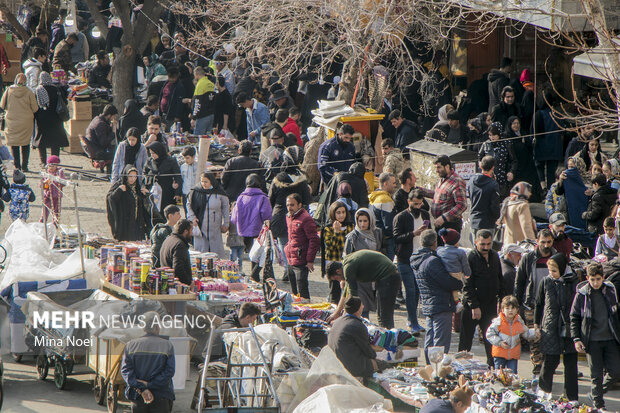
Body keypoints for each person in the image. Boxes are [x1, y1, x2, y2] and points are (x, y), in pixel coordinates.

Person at [570, 262, 620, 410]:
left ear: (603, 277)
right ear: (587, 278)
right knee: (596, 375)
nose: (596, 283)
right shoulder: (582, 294)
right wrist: (577, 339)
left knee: (616, 371)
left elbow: (616, 313)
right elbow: (574, 317)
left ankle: (596, 393)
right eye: (592, 279)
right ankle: (599, 405)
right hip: (592, 341)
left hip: (610, 338)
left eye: (598, 279)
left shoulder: (610, 290)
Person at [411, 229, 463, 363]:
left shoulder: (417, 258)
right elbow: (448, 282)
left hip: (429, 304)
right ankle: (437, 370)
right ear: (435, 243)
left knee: (431, 338)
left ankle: (429, 368)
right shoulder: (432, 261)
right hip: (441, 304)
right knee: (440, 342)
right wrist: (459, 283)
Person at [534, 253, 578, 402]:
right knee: (550, 362)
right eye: (549, 270)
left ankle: (571, 397)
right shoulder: (546, 282)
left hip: (569, 327)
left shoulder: (573, 281)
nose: (551, 274)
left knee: (571, 363)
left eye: (554, 270)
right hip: (551, 327)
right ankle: (544, 392)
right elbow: (539, 304)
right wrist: (536, 324)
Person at [459, 229, 504, 367]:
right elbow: (467, 284)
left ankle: (492, 368)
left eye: (488, 244)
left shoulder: (494, 256)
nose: (485, 247)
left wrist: (502, 300)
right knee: (466, 341)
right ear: (476, 242)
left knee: (490, 338)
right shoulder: (470, 257)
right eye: (482, 244)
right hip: (472, 306)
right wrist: (474, 306)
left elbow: (499, 278)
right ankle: (461, 367)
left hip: (490, 304)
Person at [514, 229, 555, 375]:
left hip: (551, 305)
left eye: (548, 242)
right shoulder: (528, 258)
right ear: (537, 242)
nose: (545, 245)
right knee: (535, 336)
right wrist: (516, 303)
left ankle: (547, 365)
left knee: (549, 336)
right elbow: (519, 282)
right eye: (542, 242)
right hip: (531, 304)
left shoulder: (557, 257)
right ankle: (537, 364)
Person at [326, 250, 400, 329]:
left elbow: (353, 297)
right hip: (386, 278)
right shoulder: (346, 263)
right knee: (380, 314)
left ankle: (389, 337)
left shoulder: (348, 268)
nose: (339, 281)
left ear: (338, 271)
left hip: (389, 278)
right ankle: (386, 334)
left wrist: (343, 319)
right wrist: (336, 313)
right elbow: (345, 293)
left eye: (337, 278)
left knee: (384, 315)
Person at [121, 311, 175, 413]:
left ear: (143, 328)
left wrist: (143, 389)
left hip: (138, 395)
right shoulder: (167, 345)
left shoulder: (130, 345)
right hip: (161, 396)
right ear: (157, 326)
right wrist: (150, 385)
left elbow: (126, 372)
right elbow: (169, 371)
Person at [393, 190, 431, 332]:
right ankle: (412, 322)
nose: (418, 207)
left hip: (421, 259)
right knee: (410, 290)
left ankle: (413, 320)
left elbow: (431, 234)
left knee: (417, 291)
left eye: (420, 204)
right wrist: (413, 234)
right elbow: (396, 237)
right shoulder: (401, 217)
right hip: (405, 259)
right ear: (409, 202)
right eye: (415, 204)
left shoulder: (425, 215)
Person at [269, 171, 311, 279]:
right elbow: (307, 200)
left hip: (279, 217)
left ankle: (288, 269)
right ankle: (292, 268)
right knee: (296, 243)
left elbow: (270, 200)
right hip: (297, 217)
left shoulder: (277, 180)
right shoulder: (301, 181)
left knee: (284, 244)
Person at [344, 208, 383, 317]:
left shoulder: (377, 233)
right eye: (360, 221)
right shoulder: (352, 237)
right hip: (359, 276)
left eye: (365, 221)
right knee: (362, 306)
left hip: (375, 274)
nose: (362, 224)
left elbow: (383, 249)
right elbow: (347, 258)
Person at [232, 174, 272, 280]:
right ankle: (255, 276)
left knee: (251, 253)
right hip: (258, 231)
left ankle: (254, 276)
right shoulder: (263, 198)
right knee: (258, 254)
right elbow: (266, 215)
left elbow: (234, 217)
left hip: (243, 231)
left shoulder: (241, 197)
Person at [328, 297, 379, 378]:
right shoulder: (357, 325)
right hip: (349, 365)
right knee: (381, 364)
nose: (363, 306)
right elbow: (367, 350)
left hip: (335, 362)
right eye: (362, 305)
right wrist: (375, 356)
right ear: (358, 309)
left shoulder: (338, 321)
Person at [284, 193, 320, 301]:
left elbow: (314, 240)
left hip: (301, 260)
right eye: (288, 205)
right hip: (291, 259)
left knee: (302, 292)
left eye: (292, 205)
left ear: (299, 205)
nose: (289, 207)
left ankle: (306, 312)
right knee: (294, 292)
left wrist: (310, 260)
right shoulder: (289, 217)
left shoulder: (305, 219)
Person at [0, 73, 39, 171]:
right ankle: (25, 166)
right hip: (26, 122)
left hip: (12, 122)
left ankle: (17, 166)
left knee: (14, 144)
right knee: (25, 144)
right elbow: (35, 108)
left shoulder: (9, 90)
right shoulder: (29, 92)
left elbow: (2, 105)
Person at [420, 155, 467, 235]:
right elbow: (440, 196)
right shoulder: (441, 179)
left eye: (439, 167)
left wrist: (444, 217)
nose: (436, 171)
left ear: (447, 166)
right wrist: (422, 191)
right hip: (439, 223)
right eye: (436, 168)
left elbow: (462, 205)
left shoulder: (456, 181)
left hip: (450, 225)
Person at [186, 172, 230, 257]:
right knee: (201, 251)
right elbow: (189, 205)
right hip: (200, 225)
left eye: (206, 182)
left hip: (215, 226)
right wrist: (192, 218)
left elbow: (225, 208)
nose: (203, 184)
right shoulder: (195, 191)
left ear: (211, 181)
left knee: (216, 251)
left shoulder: (220, 193)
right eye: (202, 181)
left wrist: (226, 223)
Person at [486, 295, 533, 373]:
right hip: (499, 354)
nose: (510, 311)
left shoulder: (519, 321)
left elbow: (525, 332)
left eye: (513, 308)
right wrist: (500, 342)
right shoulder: (498, 322)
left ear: (517, 309)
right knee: (499, 375)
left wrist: (535, 333)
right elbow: (489, 334)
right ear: (503, 310)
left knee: (512, 374)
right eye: (507, 308)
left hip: (513, 354)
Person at [106, 166, 152, 241]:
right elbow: (111, 199)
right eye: (130, 176)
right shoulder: (120, 185)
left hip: (137, 223)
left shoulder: (137, 187)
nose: (133, 179)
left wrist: (145, 195)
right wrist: (119, 191)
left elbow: (142, 205)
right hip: (125, 224)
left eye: (135, 176)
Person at [33, 72, 69, 167]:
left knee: (42, 141)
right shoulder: (56, 89)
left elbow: (34, 105)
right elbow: (64, 101)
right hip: (56, 119)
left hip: (42, 119)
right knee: (55, 141)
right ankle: (54, 161)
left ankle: (43, 162)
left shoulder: (38, 90)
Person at [505, 116, 543, 202]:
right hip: (517, 166)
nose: (516, 125)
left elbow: (530, 147)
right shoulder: (508, 136)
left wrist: (526, 142)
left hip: (527, 164)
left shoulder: (523, 133)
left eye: (517, 123)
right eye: (514, 123)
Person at [323, 201, 354, 303]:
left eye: (343, 212)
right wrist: (336, 233)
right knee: (334, 290)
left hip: (346, 261)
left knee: (347, 290)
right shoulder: (328, 228)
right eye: (338, 213)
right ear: (333, 214)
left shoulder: (350, 226)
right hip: (333, 262)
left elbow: (348, 245)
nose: (341, 215)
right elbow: (331, 247)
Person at [532, 93, 563, 190]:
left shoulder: (538, 114)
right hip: (554, 147)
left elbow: (533, 131)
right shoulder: (556, 114)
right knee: (551, 172)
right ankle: (550, 190)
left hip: (541, 146)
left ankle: (542, 188)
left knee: (539, 167)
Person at [478, 122, 517, 197]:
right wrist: (482, 167)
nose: (492, 137)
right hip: (488, 177)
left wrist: (511, 172)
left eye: (494, 135)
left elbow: (514, 160)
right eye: (490, 135)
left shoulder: (506, 143)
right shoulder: (486, 144)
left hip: (503, 178)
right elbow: (480, 157)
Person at [467, 156, 500, 239]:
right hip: (487, 222)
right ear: (493, 168)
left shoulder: (471, 180)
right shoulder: (493, 184)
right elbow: (494, 206)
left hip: (474, 220)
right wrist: (497, 217)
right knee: (486, 249)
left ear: (480, 166)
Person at [437, 228, 471, 308]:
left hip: (444, 274)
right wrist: (467, 273)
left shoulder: (439, 250)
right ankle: (457, 303)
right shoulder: (460, 252)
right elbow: (465, 265)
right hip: (456, 273)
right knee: (455, 289)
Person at [143, 141, 182, 210]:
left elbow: (178, 176)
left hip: (167, 191)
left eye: (154, 153)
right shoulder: (149, 161)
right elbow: (144, 174)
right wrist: (144, 186)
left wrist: (177, 193)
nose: (152, 155)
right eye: (151, 153)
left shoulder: (171, 161)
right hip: (152, 190)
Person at [370, 173, 397, 259]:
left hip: (376, 238)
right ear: (385, 184)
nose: (395, 186)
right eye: (393, 183)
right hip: (386, 241)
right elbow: (389, 225)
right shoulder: (385, 200)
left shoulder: (373, 197)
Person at [84, 104, 119, 171]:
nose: (113, 118)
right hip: (97, 151)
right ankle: (110, 172)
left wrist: (111, 127)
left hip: (94, 146)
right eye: (113, 116)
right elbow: (104, 142)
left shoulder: (97, 118)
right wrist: (113, 132)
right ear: (109, 115)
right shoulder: (100, 124)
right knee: (117, 152)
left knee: (114, 148)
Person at [160, 219, 193, 285]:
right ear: (186, 231)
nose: (192, 233)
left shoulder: (169, 239)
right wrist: (188, 282)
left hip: (167, 281)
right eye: (191, 230)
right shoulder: (180, 245)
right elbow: (178, 268)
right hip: (176, 286)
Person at [186, 66, 215, 135]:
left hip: (202, 116)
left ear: (196, 74)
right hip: (211, 115)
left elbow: (197, 102)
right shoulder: (210, 84)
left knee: (198, 138)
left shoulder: (200, 84)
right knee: (208, 139)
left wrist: (193, 117)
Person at [40, 155, 65, 225]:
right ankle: (42, 223)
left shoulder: (60, 172)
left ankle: (55, 225)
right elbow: (41, 185)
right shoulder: (46, 173)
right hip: (47, 195)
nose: (50, 168)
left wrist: (57, 180)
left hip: (57, 196)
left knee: (56, 212)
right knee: (45, 211)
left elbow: (64, 183)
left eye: (52, 166)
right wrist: (45, 183)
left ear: (57, 166)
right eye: (49, 166)